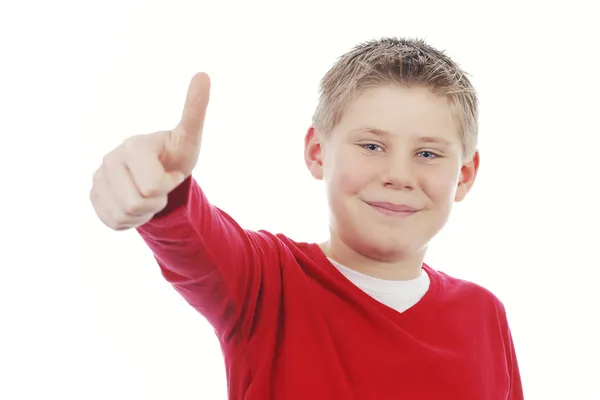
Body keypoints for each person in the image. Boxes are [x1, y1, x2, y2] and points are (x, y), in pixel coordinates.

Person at [90, 37, 524, 399]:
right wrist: (164, 190)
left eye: (427, 154)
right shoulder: (264, 281)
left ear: (464, 176)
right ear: (317, 152)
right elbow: (195, 237)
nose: (398, 176)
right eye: (372, 146)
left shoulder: (485, 315)